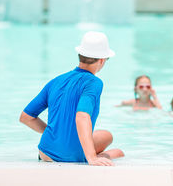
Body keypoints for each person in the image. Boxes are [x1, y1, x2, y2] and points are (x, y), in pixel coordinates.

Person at [19, 31, 124, 166]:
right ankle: (92, 155)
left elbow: (26, 117)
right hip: (70, 155)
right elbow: (81, 116)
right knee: (118, 153)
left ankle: (69, 146)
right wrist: (92, 157)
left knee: (106, 136)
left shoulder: (55, 81)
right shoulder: (93, 82)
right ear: (102, 60)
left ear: (80, 55)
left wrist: (54, 133)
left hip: (45, 152)